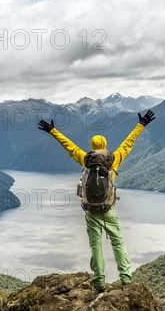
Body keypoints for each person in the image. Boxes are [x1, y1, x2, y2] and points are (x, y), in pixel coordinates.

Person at [38, 110, 156, 292]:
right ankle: (125, 278)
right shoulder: (114, 159)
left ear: (92, 146)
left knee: (96, 245)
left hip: (91, 211)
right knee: (118, 242)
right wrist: (141, 125)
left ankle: (99, 281)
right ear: (105, 145)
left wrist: (52, 130)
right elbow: (129, 143)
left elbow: (68, 146)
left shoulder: (85, 160)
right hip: (108, 209)